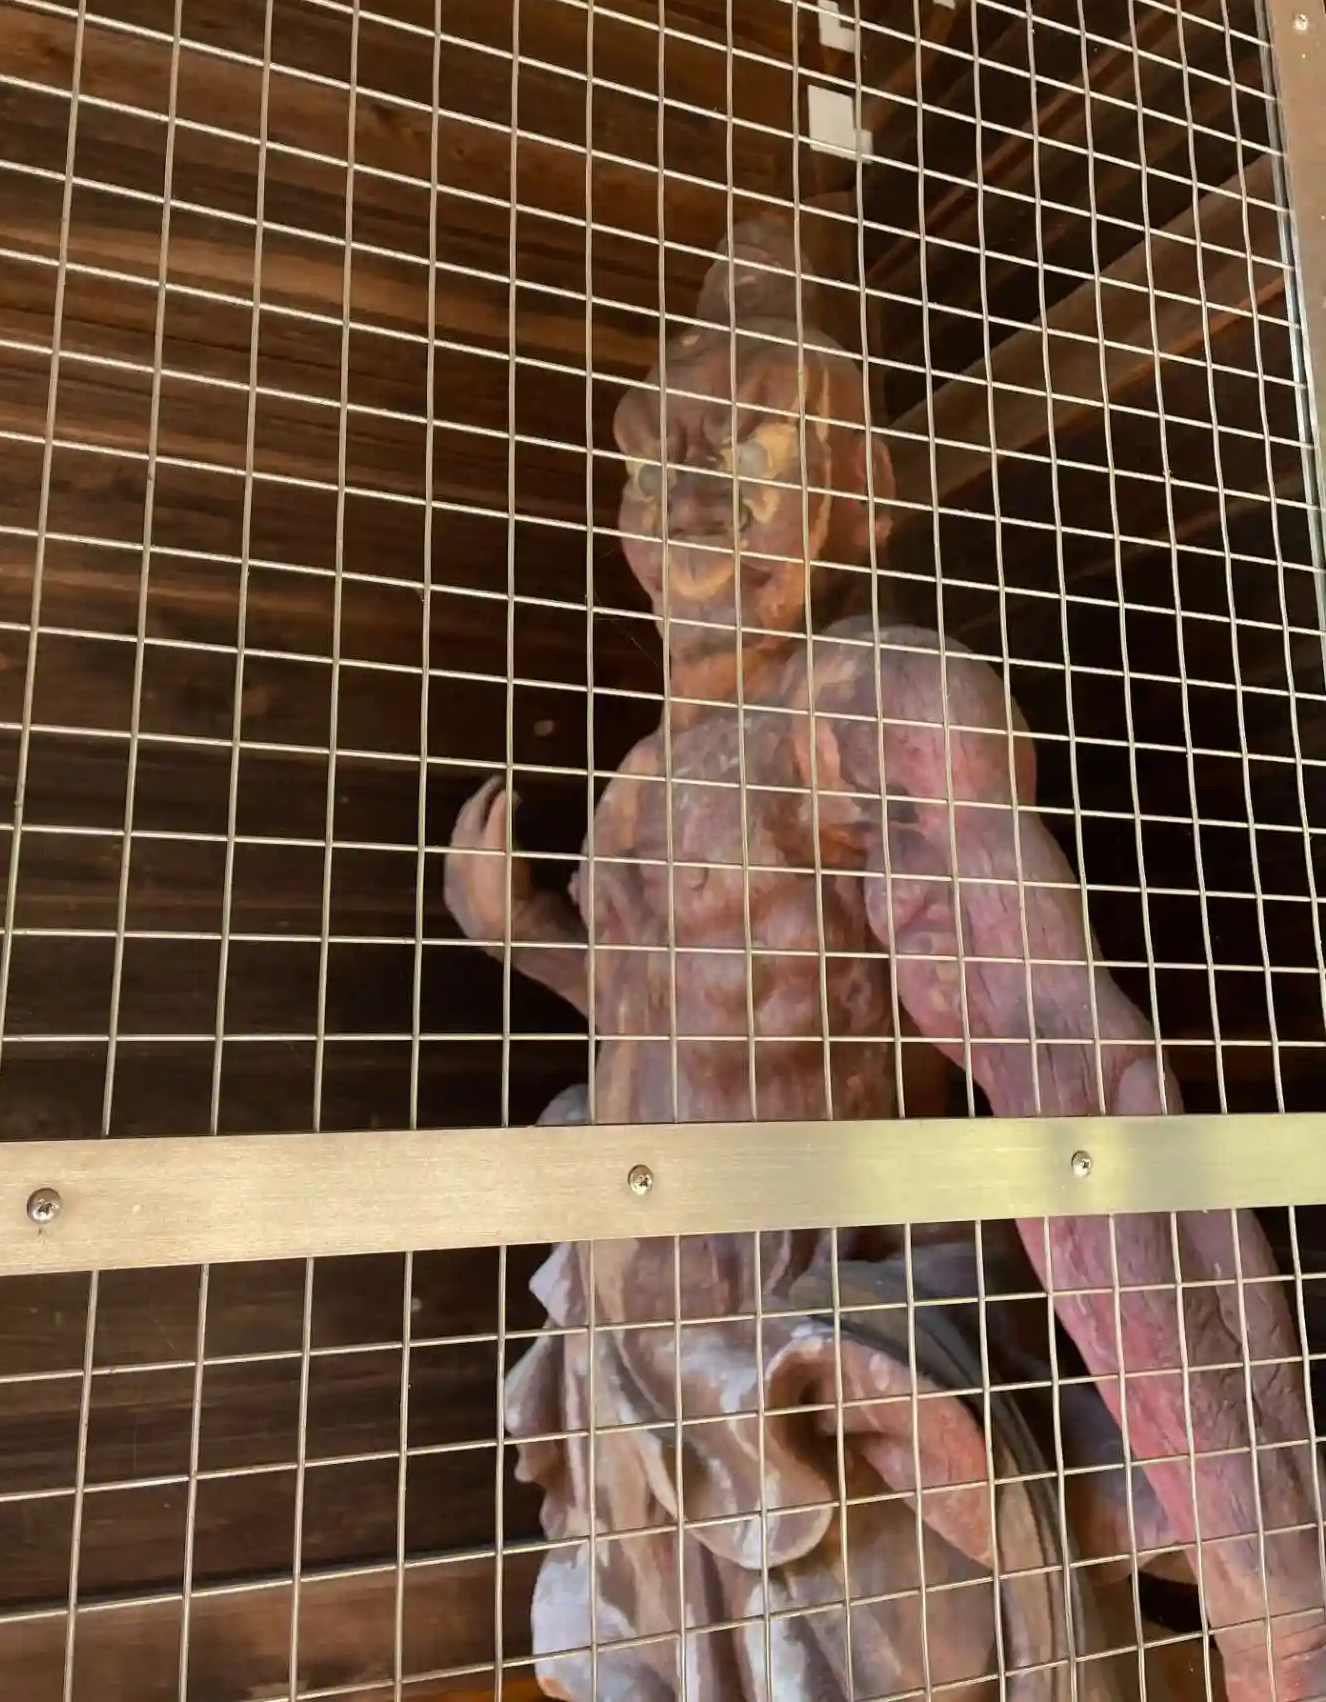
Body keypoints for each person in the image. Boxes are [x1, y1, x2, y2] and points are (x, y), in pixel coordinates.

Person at [445, 213, 1326, 1702]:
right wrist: (539, 948)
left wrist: (1271, 1590)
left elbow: (1073, 1075)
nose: (686, 490)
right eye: (655, 450)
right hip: (630, 1376)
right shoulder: (640, 780)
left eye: (748, 439)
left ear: (857, 486)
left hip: (810, 1379)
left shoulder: (871, 705)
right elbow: (707, 1029)